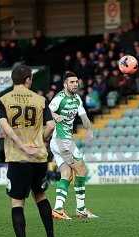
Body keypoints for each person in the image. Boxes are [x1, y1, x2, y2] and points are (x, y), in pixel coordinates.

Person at [0, 65, 58, 237]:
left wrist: (20, 144)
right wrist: (40, 140)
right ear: (28, 79)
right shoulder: (40, 100)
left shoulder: (3, 100)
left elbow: (4, 125)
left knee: (17, 201)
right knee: (40, 195)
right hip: (39, 157)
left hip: (17, 158)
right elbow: (51, 124)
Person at [49, 71, 97, 220]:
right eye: (72, 82)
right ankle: (81, 209)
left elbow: (84, 117)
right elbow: (48, 108)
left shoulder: (77, 99)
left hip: (59, 142)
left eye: (76, 82)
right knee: (81, 169)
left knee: (67, 174)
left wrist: (89, 129)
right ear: (65, 84)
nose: (75, 84)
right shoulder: (59, 98)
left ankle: (58, 209)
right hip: (62, 141)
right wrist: (54, 115)